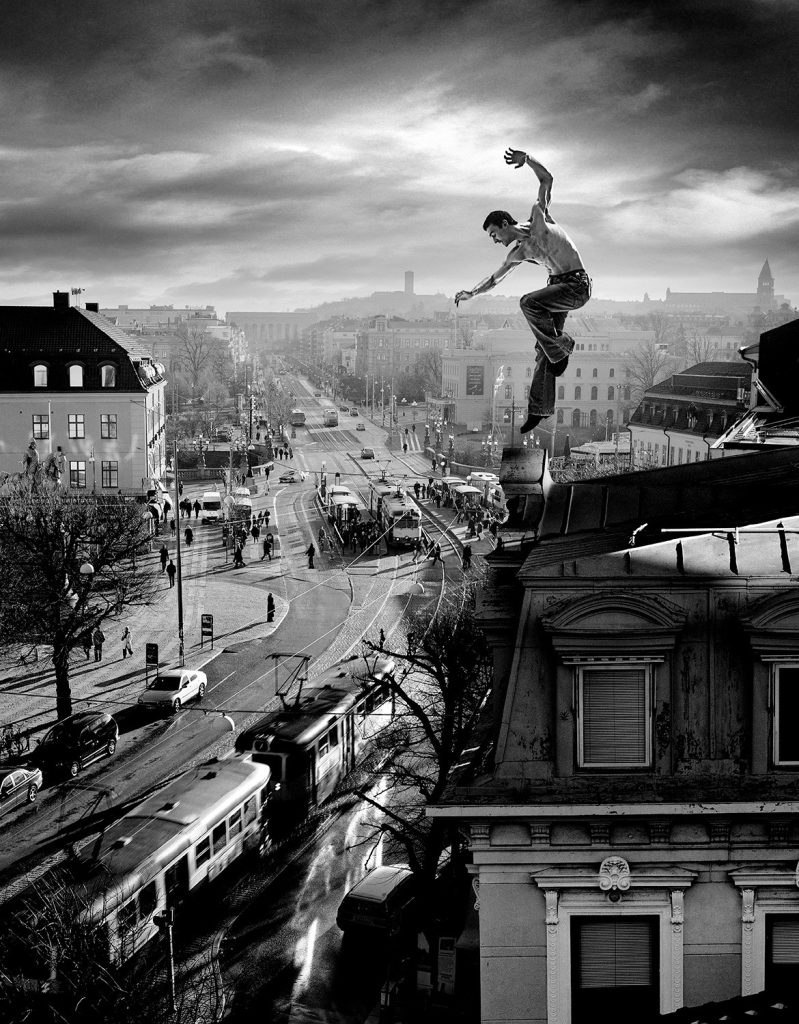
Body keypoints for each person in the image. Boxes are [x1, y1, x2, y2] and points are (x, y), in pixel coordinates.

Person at [455, 147, 590, 434]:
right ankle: (539, 409)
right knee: (543, 351)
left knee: (528, 303)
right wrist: (472, 293)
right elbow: (495, 278)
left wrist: (527, 159)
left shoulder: (540, 218)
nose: (495, 240)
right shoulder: (518, 252)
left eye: (494, 234)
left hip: (577, 284)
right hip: (557, 287)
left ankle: (562, 346)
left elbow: (547, 180)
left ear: (505, 224)